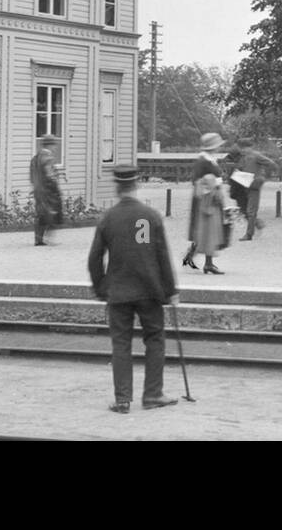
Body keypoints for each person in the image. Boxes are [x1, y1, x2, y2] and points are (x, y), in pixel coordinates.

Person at [88, 166, 179, 413]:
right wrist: (170, 290)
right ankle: (152, 395)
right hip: (149, 290)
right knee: (155, 340)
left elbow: (95, 258)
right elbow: (161, 255)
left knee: (120, 344)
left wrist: (100, 288)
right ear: (136, 185)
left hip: (118, 291)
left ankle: (122, 400)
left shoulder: (108, 218)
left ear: (117, 187)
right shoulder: (149, 216)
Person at [183, 133, 226, 274]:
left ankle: (198, 257)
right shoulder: (203, 161)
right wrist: (211, 184)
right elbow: (196, 181)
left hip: (212, 198)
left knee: (207, 230)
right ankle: (206, 262)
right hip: (206, 200)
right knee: (207, 230)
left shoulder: (209, 159)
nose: (219, 148)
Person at [235, 138, 277, 241]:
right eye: (242, 148)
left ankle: (249, 234)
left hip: (254, 185)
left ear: (250, 147)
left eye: (244, 148)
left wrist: (263, 177)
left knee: (251, 210)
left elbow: (271, 164)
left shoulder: (256, 156)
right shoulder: (243, 157)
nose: (243, 150)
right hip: (245, 185)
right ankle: (257, 224)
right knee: (245, 209)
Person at [30, 134, 63, 246]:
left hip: (38, 190)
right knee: (52, 212)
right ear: (50, 145)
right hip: (48, 190)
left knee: (41, 214)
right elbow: (50, 175)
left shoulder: (35, 158)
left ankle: (38, 239)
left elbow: (31, 176)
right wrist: (55, 187)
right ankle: (48, 238)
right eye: (54, 144)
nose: (55, 147)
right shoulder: (48, 158)